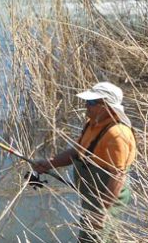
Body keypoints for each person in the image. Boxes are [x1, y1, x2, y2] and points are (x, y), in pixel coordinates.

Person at [33, 82, 136, 242]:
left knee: (91, 238)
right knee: (108, 238)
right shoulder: (93, 123)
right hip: (92, 194)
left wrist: (101, 211)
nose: (86, 106)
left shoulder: (117, 134)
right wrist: (49, 163)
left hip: (106, 197)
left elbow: (118, 176)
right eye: (87, 102)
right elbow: (77, 152)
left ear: (107, 106)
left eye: (92, 102)